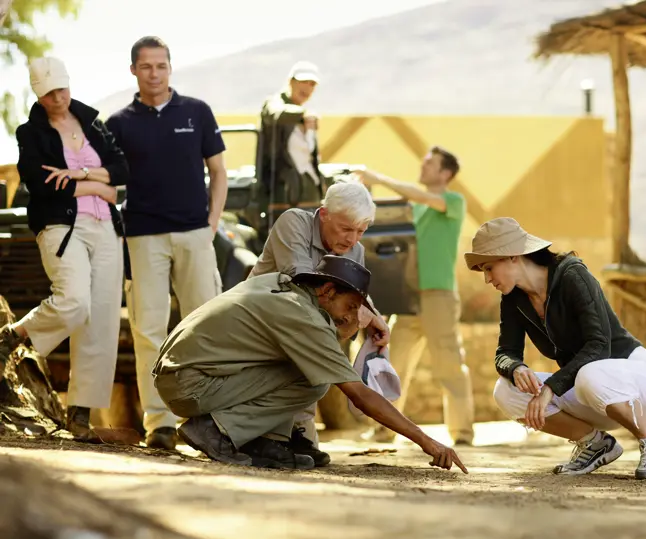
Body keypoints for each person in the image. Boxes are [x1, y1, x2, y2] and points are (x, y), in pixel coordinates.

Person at [152, 255, 467, 475]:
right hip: (191, 385)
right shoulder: (303, 317)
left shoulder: (281, 286)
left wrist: (348, 322)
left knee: (310, 369)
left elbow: (322, 346)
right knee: (315, 380)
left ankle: (265, 442)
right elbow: (358, 394)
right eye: (351, 306)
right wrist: (426, 441)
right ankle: (215, 430)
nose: (353, 316)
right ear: (327, 291)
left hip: (183, 375)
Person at [464, 217, 646, 480]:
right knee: (505, 390)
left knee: (590, 373)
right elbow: (504, 352)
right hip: (590, 391)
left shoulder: (572, 275)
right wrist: (515, 367)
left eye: (489, 268)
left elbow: (599, 345)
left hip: (639, 384)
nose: (486, 279)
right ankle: (595, 443)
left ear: (512, 256)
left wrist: (551, 388)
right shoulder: (513, 299)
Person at [106, 36, 227, 451]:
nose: (154, 73)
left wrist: (211, 224)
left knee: (204, 327)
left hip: (195, 233)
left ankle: (206, 421)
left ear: (170, 68)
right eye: (146, 66)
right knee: (149, 329)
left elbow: (219, 172)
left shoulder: (196, 112)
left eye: (160, 66)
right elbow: (108, 180)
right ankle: (158, 423)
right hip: (143, 237)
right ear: (134, 70)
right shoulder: (118, 123)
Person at [0, 57, 127, 442]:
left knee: (102, 320)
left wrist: (78, 175)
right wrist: (97, 185)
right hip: (61, 226)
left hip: (106, 228)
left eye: (64, 89)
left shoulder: (92, 123)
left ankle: (80, 415)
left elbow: (122, 171)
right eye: (51, 92)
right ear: (39, 93)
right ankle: (14, 337)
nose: (60, 97)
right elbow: (40, 184)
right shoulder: (31, 133)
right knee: (73, 301)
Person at [246, 181, 390, 466]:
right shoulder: (293, 223)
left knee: (317, 347)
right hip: (260, 323)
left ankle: (299, 436)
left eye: (361, 231)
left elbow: (353, 295)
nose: (352, 240)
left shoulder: (355, 250)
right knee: (312, 337)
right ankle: (270, 436)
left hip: (303, 333)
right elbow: (301, 286)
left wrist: (373, 315)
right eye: (346, 229)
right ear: (324, 215)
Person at [355, 147, 475, 446]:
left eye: (430, 163)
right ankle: (384, 428)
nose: (423, 165)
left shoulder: (452, 201)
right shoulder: (415, 208)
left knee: (449, 363)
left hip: (439, 296)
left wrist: (378, 178)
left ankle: (462, 433)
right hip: (406, 297)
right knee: (392, 363)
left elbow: (417, 195)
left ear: (445, 173)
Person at [260, 60, 324, 224]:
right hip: (284, 189)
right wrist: (302, 114)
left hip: (309, 186)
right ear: (291, 82)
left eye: (312, 84)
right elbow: (276, 113)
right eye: (303, 81)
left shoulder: (308, 114)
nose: (307, 87)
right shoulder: (275, 103)